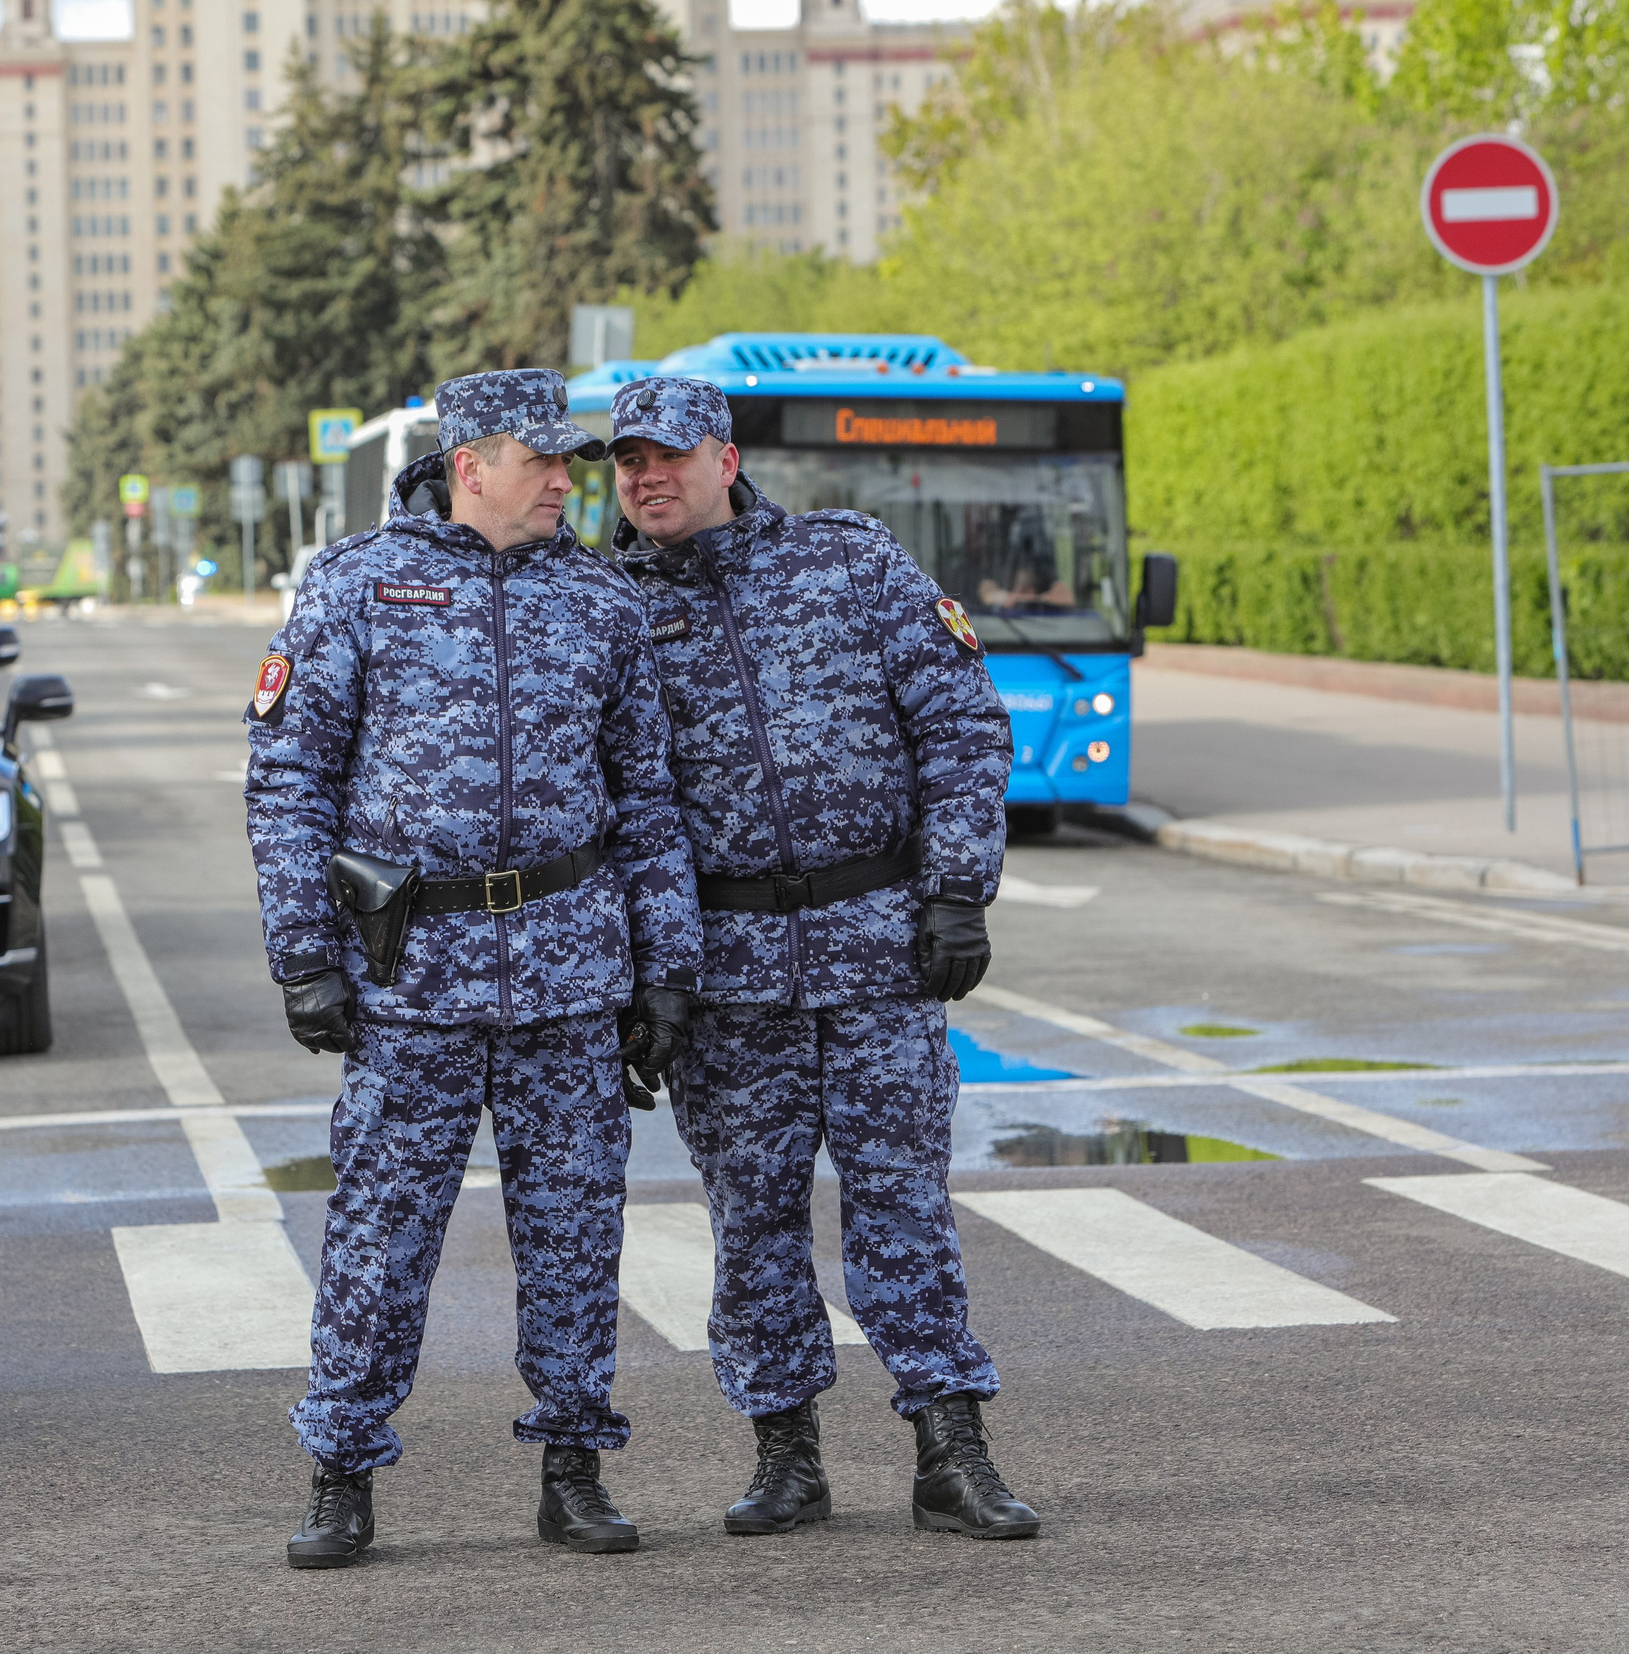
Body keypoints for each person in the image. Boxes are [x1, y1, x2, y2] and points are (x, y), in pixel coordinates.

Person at [245, 368, 700, 1569]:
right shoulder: (358, 587)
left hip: (569, 970)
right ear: (468, 468)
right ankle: (341, 1470)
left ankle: (573, 1467)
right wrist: (305, 958)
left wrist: (666, 972)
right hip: (413, 977)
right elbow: (291, 780)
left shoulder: (599, 602)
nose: (565, 481)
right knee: (380, 1237)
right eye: (539, 461)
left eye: (570, 464)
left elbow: (646, 800)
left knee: (574, 1230)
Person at [606, 374, 1042, 1542]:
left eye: (669, 455)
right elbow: (598, 813)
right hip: (726, 969)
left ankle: (950, 1451)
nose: (646, 477)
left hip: (879, 948)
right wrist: (640, 983)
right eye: (626, 461)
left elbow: (958, 720)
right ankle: (783, 1454)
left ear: (726, 458)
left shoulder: (848, 562)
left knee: (903, 1205)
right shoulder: (601, 607)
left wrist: (956, 892)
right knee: (750, 1218)